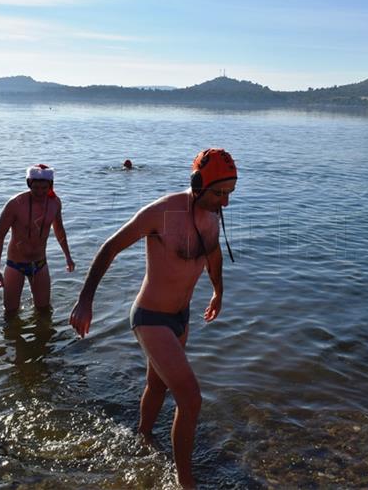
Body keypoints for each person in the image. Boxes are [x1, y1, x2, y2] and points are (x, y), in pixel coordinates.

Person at [69, 148, 238, 489]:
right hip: (150, 317)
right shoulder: (163, 212)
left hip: (180, 318)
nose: (225, 202)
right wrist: (85, 300)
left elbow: (214, 255)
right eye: (219, 193)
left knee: (157, 385)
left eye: (230, 194)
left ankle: (143, 437)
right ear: (198, 183)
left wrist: (218, 291)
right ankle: (185, 481)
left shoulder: (212, 215)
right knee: (190, 398)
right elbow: (110, 247)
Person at [0, 164, 75, 316]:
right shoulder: (15, 204)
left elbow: (59, 230)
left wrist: (68, 257)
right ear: (29, 184)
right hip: (15, 264)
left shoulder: (55, 203)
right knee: (10, 313)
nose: (40, 192)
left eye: (44, 188)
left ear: (50, 185)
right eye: (35, 188)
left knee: (44, 311)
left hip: (40, 264)